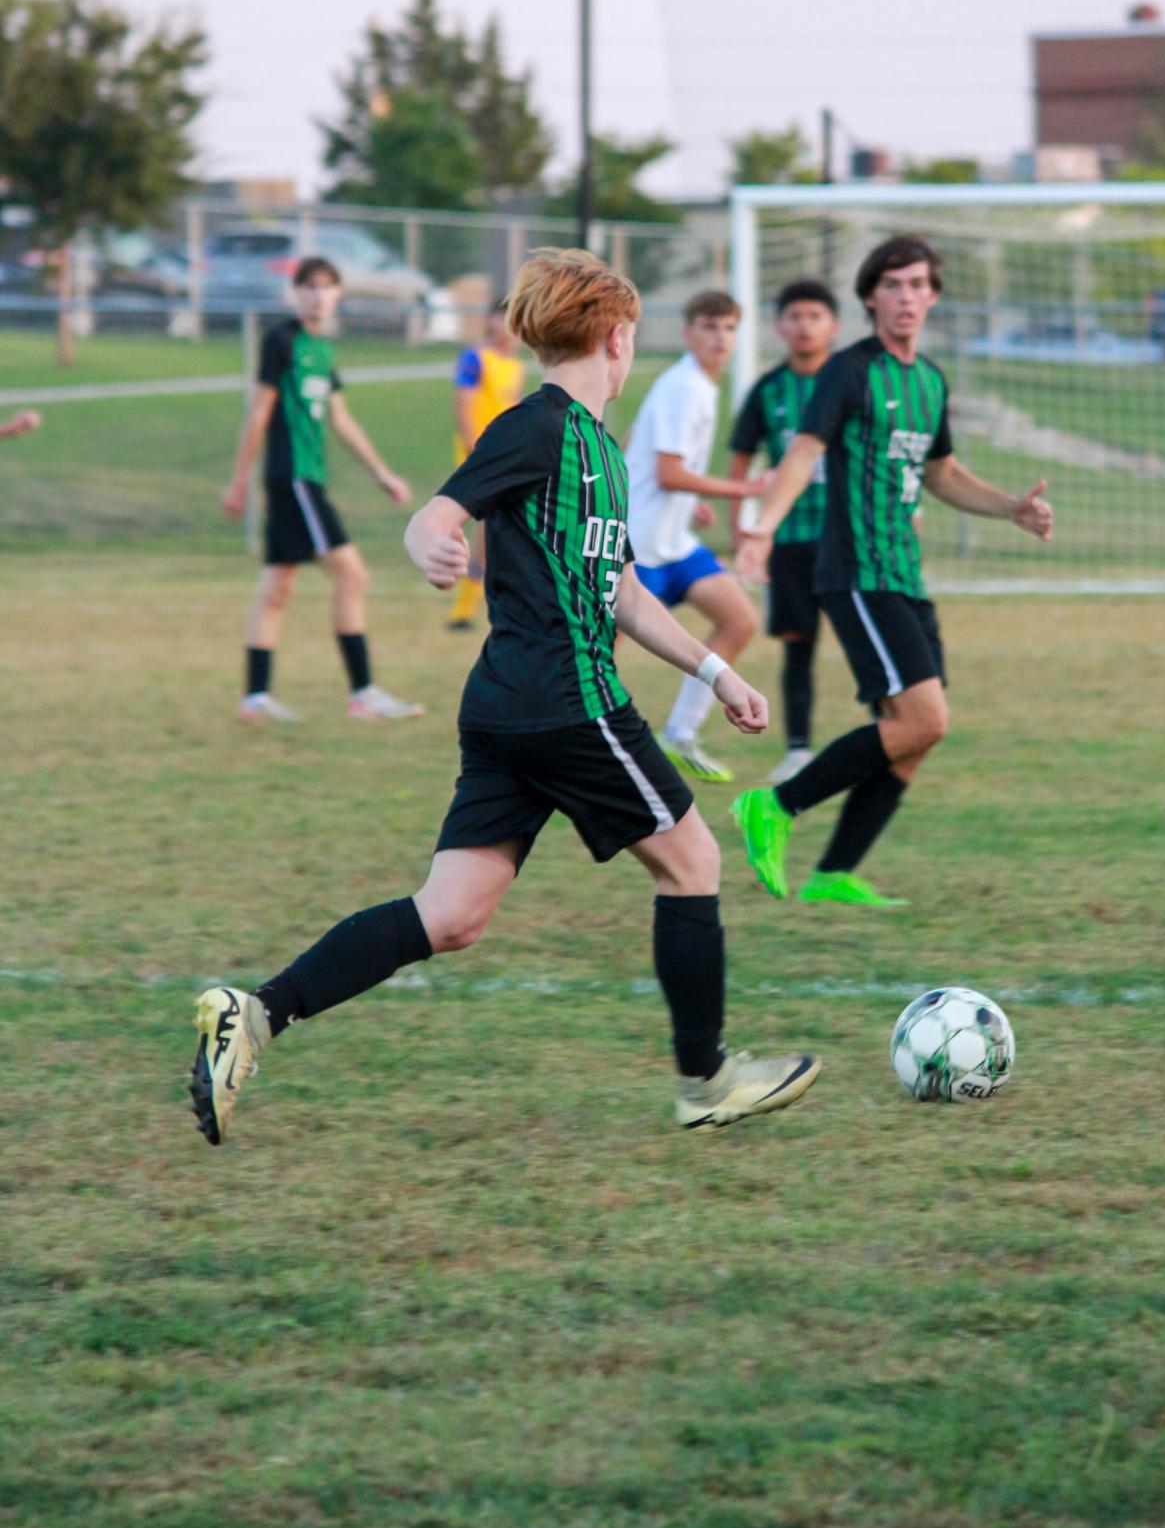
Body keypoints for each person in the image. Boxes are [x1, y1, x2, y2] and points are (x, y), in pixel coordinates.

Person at [190, 247, 820, 1145]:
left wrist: (716, 673)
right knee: (694, 863)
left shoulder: (599, 446)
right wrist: (431, 543)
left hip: (508, 710)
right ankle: (706, 1077)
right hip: (570, 700)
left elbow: (625, 590)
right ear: (617, 333)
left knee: (449, 916)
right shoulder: (537, 427)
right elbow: (434, 515)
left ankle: (254, 1012)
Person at [734, 234, 1053, 907]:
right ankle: (773, 805)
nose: (906, 297)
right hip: (855, 571)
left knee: (910, 737)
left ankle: (833, 872)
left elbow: (942, 473)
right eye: (893, 285)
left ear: (933, 295)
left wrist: (1011, 508)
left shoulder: (930, 380)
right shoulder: (848, 371)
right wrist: (762, 527)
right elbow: (802, 454)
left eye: (917, 284)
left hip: (905, 574)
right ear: (871, 297)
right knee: (923, 717)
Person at [222, 255, 424, 723]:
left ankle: (255, 696)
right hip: (293, 478)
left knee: (277, 584)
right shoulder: (282, 341)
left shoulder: (321, 349)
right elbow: (259, 413)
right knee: (352, 576)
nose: (317, 294)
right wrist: (238, 482)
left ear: (337, 295)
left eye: (326, 287)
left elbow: (340, 418)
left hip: (306, 477)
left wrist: (382, 473)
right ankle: (363, 693)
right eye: (309, 286)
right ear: (296, 293)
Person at [623, 290, 770, 784]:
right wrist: (742, 488)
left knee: (739, 618)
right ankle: (571, 750)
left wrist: (693, 502)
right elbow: (668, 473)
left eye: (729, 327)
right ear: (688, 332)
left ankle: (680, 734)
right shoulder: (684, 385)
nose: (720, 337)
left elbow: (651, 460)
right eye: (709, 326)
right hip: (638, 545)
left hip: (674, 543)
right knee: (595, 662)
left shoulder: (700, 386)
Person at [727, 278, 840, 783]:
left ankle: (892, 731)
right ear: (779, 326)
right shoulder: (768, 390)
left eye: (815, 315)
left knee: (868, 638)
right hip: (791, 539)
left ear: (833, 325)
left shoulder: (850, 382)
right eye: (795, 316)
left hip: (847, 537)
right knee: (798, 645)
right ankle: (798, 748)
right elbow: (740, 459)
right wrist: (741, 529)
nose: (804, 325)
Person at [447, 292, 525, 630]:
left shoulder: (516, 367)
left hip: (503, 458)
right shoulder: (475, 358)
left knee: (489, 537)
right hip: (477, 456)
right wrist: (476, 450)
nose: (508, 327)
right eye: (503, 317)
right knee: (472, 531)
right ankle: (465, 609)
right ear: (491, 321)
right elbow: (464, 406)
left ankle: (467, 611)